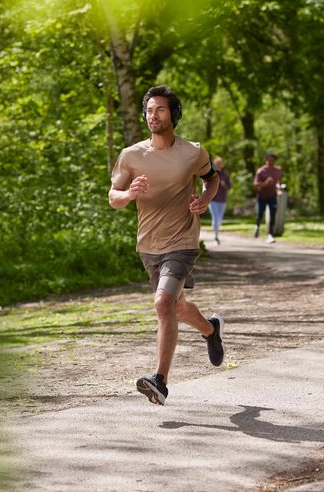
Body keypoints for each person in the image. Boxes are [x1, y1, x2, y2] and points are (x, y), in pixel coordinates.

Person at [108, 85, 225, 406]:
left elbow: (211, 178)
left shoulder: (192, 152)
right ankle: (210, 330)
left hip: (183, 241)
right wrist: (130, 194)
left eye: (159, 110)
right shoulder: (131, 155)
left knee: (162, 304)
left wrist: (204, 199)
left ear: (173, 115)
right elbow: (113, 198)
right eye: (148, 110)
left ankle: (160, 380)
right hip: (149, 244)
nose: (152, 116)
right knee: (175, 306)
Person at [253, 152, 282, 243]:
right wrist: (265, 183)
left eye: (272, 160)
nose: (270, 162)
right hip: (262, 196)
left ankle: (270, 235)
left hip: (272, 195)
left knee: (273, 215)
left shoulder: (277, 170)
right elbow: (255, 184)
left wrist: (279, 189)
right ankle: (257, 227)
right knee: (260, 213)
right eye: (269, 160)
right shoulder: (261, 171)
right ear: (266, 160)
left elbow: (278, 182)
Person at [207, 156, 231, 245]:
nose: (219, 165)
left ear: (222, 164)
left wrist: (224, 185)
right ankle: (215, 236)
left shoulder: (225, 175)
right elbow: (206, 183)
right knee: (215, 217)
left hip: (222, 200)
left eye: (220, 164)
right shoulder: (211, 173)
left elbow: (229, 187)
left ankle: (216, 231)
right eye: (217, 164)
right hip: (212, 199)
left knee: (219, 219)